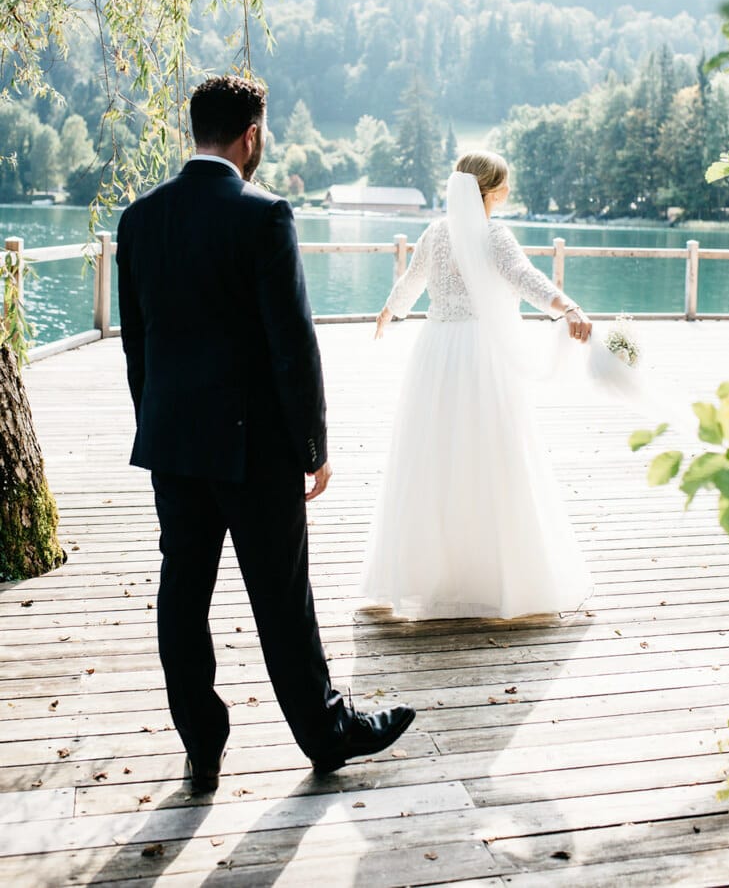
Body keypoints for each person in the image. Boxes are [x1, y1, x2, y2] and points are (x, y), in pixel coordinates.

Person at [116, 75, 414, 788]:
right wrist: (314, 446)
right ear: (251, 135)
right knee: (281, 597)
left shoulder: (139, 219)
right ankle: (327, 733)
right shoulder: (265, 214)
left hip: (175, 444)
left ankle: (202, 743)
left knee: (181, 596)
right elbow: (293, 345)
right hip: (255, 447)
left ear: (196, 130)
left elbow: (137, 347)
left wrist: (158, 426)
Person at [361, 150, 593, 621]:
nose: (509, 190)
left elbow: (411, 281)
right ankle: (491, 574)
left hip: (437, 353)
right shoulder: (494, 235)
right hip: (482, 355)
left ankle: (436, 573)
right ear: (491, 191)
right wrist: (566, 306)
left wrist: (391, 310)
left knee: (436, 454)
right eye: (505, 184)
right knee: (492, 452)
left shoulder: (436, 233)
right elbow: (525, 278)